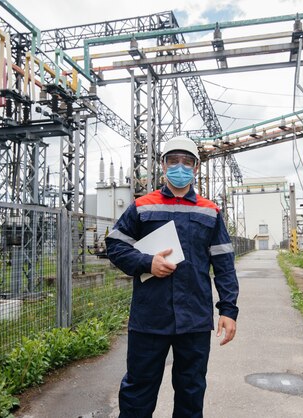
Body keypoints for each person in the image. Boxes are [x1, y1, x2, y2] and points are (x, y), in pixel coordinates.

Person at [106, 135, 239, 418]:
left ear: (196, 167)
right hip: (149, 318)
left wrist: (228, 309)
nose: (180, 167)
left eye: (187, 161)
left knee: (191, 394)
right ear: (163, 166)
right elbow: (115, 245)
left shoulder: (210, 211)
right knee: (137, 393)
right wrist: (146, 263)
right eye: (173, 161)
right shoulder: (142, 206)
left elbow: (224, 264)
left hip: (194, 319)